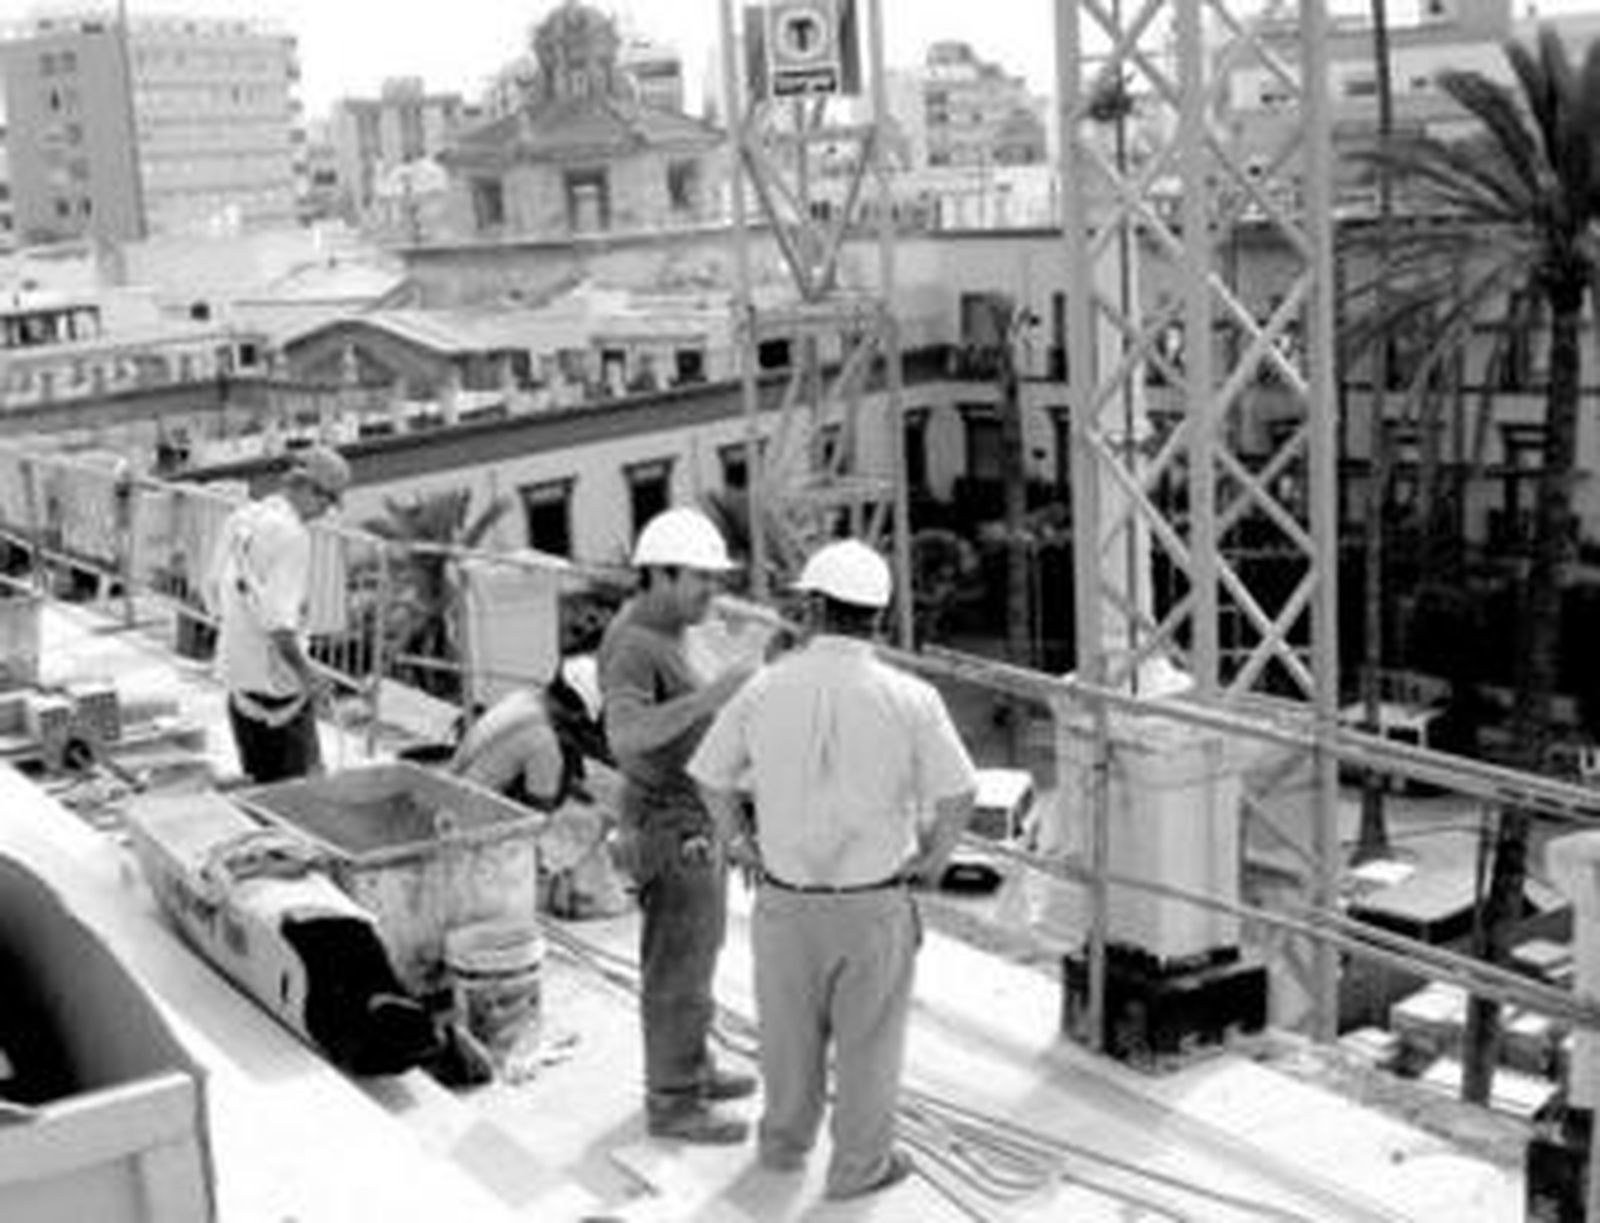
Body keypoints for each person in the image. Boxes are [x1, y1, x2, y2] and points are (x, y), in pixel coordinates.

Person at [688, 538, 977, 1199]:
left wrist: (739, 842)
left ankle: (784, 1149)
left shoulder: (765, 687)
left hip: (786, 903)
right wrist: (931, 859)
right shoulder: (912, 696)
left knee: (787, 1037)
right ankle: (857, 1169)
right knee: (870, 1046)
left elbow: (710, 775)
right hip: (873, 903)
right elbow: (959, 793)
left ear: (815, 606)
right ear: (878, 614)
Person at [597, 506, 759, 1145]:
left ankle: (691, 1068)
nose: (711, 594)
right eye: (700, 580)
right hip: (668, 821)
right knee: (678, 966)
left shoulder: (667, 627)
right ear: (658, 575)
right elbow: (626, 734)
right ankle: (673, 1101)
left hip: (689, 813)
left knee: (697, 955)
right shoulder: (635, 643)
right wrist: (713, 696)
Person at [205, 445, 349, 783]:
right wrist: (309, 675)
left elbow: (212, 589)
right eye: (326, 501)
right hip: (280, 698)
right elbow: (278, 624)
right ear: (308, 488)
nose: (325, 512)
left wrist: (242, 625)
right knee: (301, 799)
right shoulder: (292, 535)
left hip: (240, 683)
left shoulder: (243, 517)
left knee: (261, 792)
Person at [449, 662, 627, 920]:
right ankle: (580, 901)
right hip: (473, 844)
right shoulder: (544, 744)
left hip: (452, 807)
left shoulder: (524, 700)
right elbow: (537, 820)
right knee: (592, 821)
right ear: (577, 714)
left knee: (578, 805)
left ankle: (567, 888)